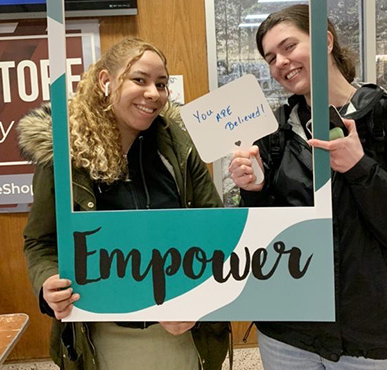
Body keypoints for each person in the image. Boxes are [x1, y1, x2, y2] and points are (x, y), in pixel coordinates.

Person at [229, 5, 387, 370]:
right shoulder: (275, 133)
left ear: (325, 40)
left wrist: (361, 169)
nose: (280, 62)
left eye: (289, 46)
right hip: (287, 333)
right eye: (270, 57)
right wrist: (254, 189)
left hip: (371, 337)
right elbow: (266, 240)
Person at [18, 37, 229, 370]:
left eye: (161, 84)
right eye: (140, 80)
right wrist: (48, 283)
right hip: (103, 336)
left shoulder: (178, 147)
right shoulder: (64, 156)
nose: (153, 94)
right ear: (106, 81)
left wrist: (195, 299)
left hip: (179, 333)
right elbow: (40, 242)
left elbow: (214, 230)